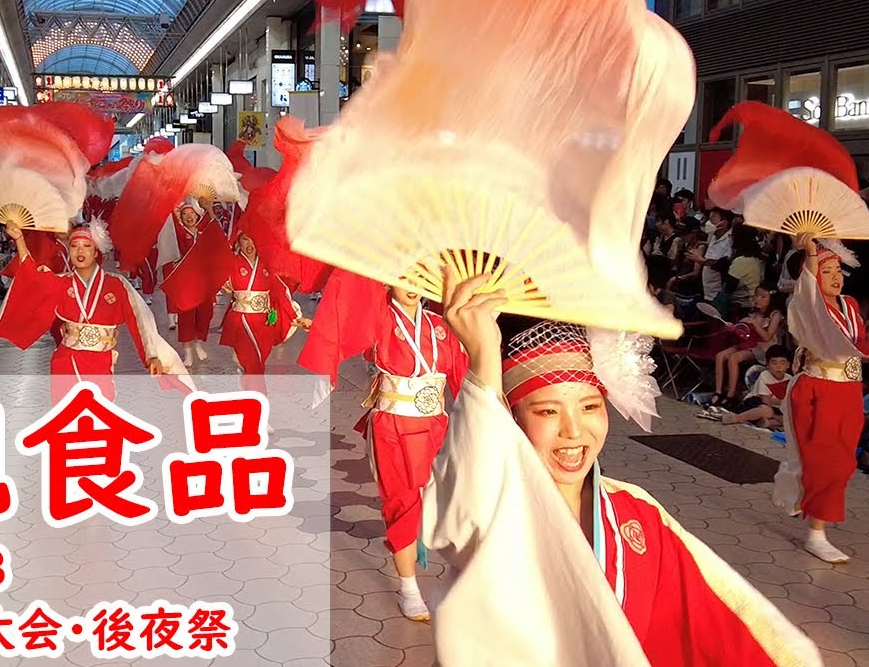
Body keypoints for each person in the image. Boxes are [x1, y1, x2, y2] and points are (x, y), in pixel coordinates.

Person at [425, 270, 820, 667]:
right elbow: (465, 497)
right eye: (547, 411)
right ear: (510, 418)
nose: (573, 430)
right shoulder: (494, 510)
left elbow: (721, 619)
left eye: (590, 406)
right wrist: (483, 366)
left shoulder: (636, 511)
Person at [297, 269, 467, 622]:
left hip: (436, 425)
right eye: (405, 277)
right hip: (393, 427)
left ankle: (460, 576)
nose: (413, 286)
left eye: (421, 277)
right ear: (388, 280)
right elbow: (345, 323)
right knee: (402, 502)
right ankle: (409, 588)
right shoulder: (378, 320)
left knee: (443, 498)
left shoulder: (440, 325)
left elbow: (464, 377)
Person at [775, 237, 869, 564]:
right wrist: (811, 251)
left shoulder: (850, 304)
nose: (836, 277)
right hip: (818, 389)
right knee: (823, 462)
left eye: (838, 270)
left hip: (849, 391)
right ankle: (817, 532)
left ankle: (812, 512)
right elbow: (809, 290)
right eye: (826, 271)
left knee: (843, 463)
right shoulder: (807, 304)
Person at [0, 221, 190, 402]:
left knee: (101, 414)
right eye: (74, 246)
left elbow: (140, 320)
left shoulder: (117, 284)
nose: (79, 251)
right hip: (67, 360)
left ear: (96, 252)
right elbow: (32, 277)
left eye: (86, 246)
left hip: (100, 361)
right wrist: (20, 240)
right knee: (67, 417)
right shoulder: (62, 282)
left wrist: (152, 355)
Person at [218, 233, 308, 392]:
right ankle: (259, 397)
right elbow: (213, 277)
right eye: (245, 239)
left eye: (253, 238)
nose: (250, 244)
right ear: (238, 242)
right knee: (253, 365)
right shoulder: (231, 262)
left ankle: (247, 388)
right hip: (241, 322)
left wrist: (297, 318)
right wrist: (221, 283)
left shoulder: (267, 265)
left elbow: (280, 292)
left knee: (258, 363)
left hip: (264, 323)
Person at [161, 199, 229, 367]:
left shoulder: (203, 231)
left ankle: (198, 342)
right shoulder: (178, 233)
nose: (188, 216)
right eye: (185, 214)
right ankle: (187, 352)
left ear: (197, 215)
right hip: (185, 284)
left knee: (205, 315)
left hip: (203, 282)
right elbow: (169, 222)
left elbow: (215, 229)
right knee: (186, 318)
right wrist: (168, 201)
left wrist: (209, 208)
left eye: (191, 213)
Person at [707, 284, 783, 410]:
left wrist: (754, 324)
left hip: (764, 348)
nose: (758, 299)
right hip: (748, 343)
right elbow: (744, 333)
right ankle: (718, 392)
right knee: (720, 356)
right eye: (756, 296)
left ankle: (730, 395)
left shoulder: (775, 315)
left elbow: (767, 337)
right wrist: (733, 328)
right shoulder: (752, 312)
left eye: (763, 297)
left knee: (733, 358)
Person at [721, 344, 792, 428]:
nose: (778, 367)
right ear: (767, 365)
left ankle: (768, 422)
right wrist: (775, 415)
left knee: (793, 418)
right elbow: (765, 400)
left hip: (774, 408)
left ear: (788, 365)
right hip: (754, 403)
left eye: (782, 363)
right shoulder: (765, 375)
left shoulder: (790, 379)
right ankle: (737, 418)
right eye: (774, 363)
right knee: (767, 411)